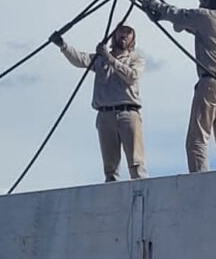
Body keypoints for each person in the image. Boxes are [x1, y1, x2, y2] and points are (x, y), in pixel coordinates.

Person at [144, 0, 216, 173]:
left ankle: (200, 180)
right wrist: (159, 16)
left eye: (201, 0)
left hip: (213, 81)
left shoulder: (204, 15)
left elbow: (177, 14)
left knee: (197, 138)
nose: (199, 3)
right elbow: (189, 27)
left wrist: (151, 4)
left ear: (207, 2)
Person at [50, 24, 147, 182]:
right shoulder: (100, 58)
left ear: (132, 39)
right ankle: (111, 200)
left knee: (136, 165)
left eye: (128, 33)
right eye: (121, 31)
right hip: (105, 115)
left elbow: (132, 76)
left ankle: (143, 195)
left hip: (128, 113)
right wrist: (63, 45)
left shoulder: (136, 59)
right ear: (114, 35)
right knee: (110, 169)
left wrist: (109, 58)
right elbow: (80, 59)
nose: (124, 35)